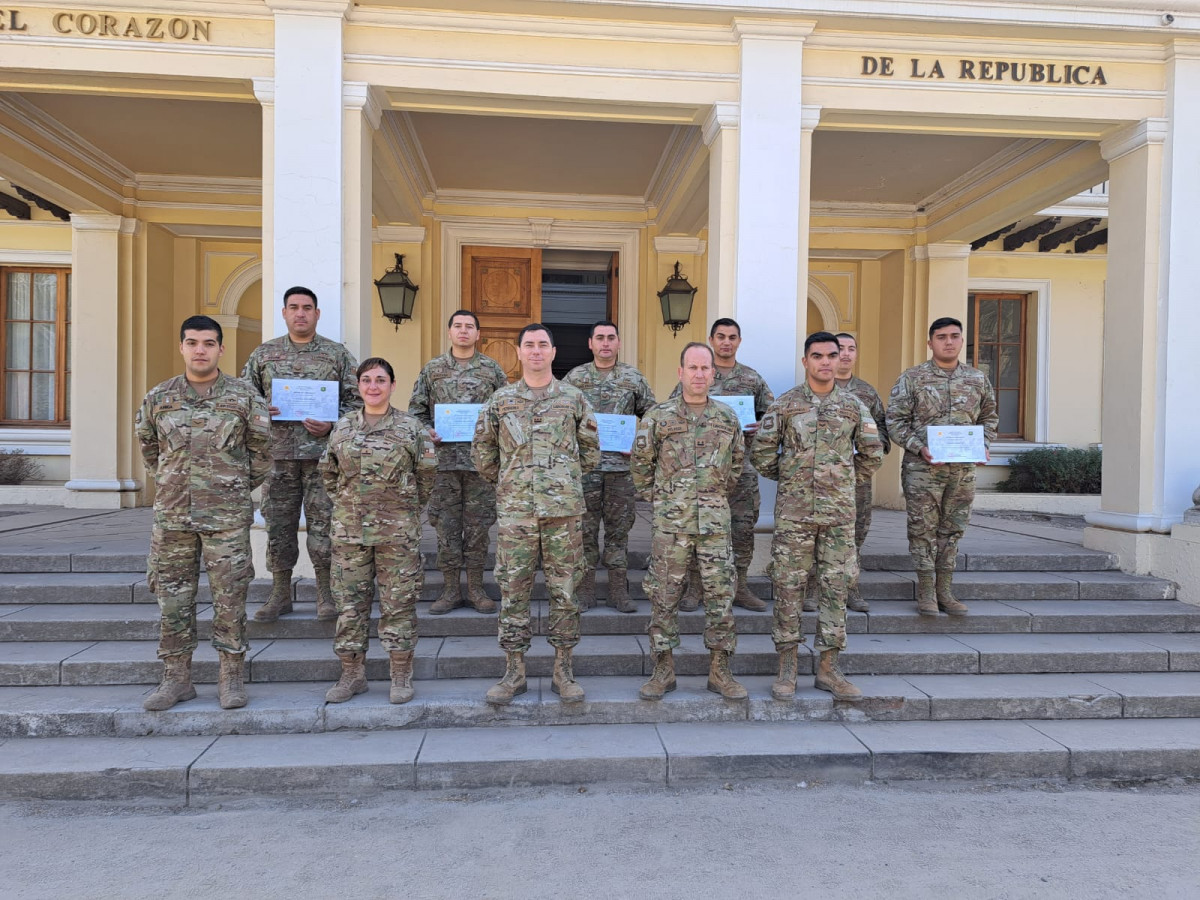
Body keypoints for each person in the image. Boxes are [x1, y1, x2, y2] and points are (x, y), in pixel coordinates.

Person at [136, 316, 271, 711]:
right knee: (173, 599)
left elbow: (261, 454)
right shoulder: (159, 398)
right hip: (173, 519)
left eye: (208, 343)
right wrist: (175, 484)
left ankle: (231, 677)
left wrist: (229, 487)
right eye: (193, 342)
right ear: (181, 347)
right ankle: (176, 678)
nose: (200, 350)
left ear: (221, 349)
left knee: (230, 598)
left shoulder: (244, 397)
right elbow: (149, 449)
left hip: (226, 520)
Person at [751, 332, 884, 702]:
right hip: (795, 514)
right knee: (789, 587)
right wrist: (795, 475)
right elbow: (762, 452)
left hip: (839, 515)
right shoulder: (785, 405)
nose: (826, 362)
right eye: (818, 356)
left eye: (832, 355)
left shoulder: (854, 406)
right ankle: (788, 667)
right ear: (806, 361)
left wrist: (839, 477)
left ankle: (829, 667)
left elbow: (873, 453)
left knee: (835, 588)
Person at [472, 324, 600, 705]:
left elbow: (590, 452)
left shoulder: (574, 399)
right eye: (529, 345)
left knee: (565, 590)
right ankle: (514, 671)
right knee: (513, 591)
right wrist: (515, 483)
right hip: (517, 514)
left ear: (554, 352)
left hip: (563, 513)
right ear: (518, 351)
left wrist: (560, 480)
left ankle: (563, 669)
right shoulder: (500, 400)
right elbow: (483, 454)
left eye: (543, 345)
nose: (536, 351)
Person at [632, 342, 748, 701]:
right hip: (671, 527)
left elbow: (736, 468)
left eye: (705, 368)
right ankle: (663, 669)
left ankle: (720, 670)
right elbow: (641, 468)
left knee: (720, 597)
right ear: (680, 372)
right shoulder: (658, 417)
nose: (699, 374)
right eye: (692, 368)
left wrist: (711, 500)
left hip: (714, 525)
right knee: (664, 598)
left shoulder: (727, 418)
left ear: (714, 374)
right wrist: (666, 501)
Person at [321, 358, 437, 705]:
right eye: (367, 380)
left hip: (397, 534)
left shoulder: (410, 428)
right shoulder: (341, 428)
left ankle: (400, 673)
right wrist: (348, 506)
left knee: (398, 605)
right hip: (349, 534)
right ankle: (352, 674)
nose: (374, 386)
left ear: (392, 385)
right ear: (358, 386)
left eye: (381, 380)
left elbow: (426, 475)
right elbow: (328, 473)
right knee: (349, 607)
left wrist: (402, 509)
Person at [242, 286, 360, 623]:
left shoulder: (336, 355)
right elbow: (243, 400)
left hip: (322, 459)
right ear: (284, 313)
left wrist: (333, 424)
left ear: (317, 313)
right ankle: (280, 593)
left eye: (307, 307)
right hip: (277, 458)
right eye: (293, 307)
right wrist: (263, 408)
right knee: (279, 528)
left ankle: (325, 593)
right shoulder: (264, 355)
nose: (300, 313)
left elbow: (356, 402)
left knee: (324, 529)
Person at [887, 317, 999, 616]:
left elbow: (989, 417)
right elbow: (894, 421)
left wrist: (983, 444)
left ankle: (945, 591)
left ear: (962, 341)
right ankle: (925, 592)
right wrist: (918, 447)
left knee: (953, 529)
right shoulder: (912, 378)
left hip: (962, 471)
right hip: (923, 469)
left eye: (954, 336)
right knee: (922, 529)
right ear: (930, 343)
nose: (948, 342)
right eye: (941, 337)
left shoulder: (977, 379)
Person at [408, 310, 508, 615]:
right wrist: (427, 431)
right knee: (446, 530)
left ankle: (476, 589)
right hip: (444, 465)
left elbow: (505, 412)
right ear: (449, 332)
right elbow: (416, 412)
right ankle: (450, 590)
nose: (463, 331)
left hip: (481, 467)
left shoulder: (492, 370)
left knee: (478, 531)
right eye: (458, 326)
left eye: (470, 327)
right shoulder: (432, 370)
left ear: (478, 334)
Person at [672, 318, 774, 612]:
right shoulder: (699, 373)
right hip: (701, 473)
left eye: (732, 337)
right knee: (697, 529)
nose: (726, 342)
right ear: (711, 339)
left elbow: (774, 415)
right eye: (720, 336)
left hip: (741, 470)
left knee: (741, 530)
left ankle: (739, 587)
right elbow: (672, 410)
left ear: (739, 341)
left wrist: (761, 426)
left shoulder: (752, 379)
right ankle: (695, 588)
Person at [563, 320, 656, 613]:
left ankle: (618, 590)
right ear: (590, 343)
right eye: (600, 338)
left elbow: (653, 416)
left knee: (619, 531)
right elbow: (561, 416)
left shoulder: (633, 378)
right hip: (586, 469)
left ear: (618, 343)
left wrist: (640, 441)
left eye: (611, 338)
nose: (605, 343)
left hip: (621, 470)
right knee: (585, 532)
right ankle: (587, 590)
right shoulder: (574, 378)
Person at [798, 332, 892, 614]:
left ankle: (851, 587)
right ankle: (813, 589)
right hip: (817, 482)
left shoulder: (866, 393)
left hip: (854, 480)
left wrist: (863, 461)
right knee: (817, 533)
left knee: (855, 533)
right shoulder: (807, 393)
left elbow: (882, 431)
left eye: (852, 348)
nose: (847, 354)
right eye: (841, 348)